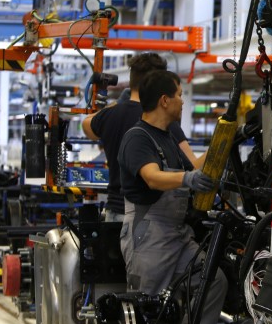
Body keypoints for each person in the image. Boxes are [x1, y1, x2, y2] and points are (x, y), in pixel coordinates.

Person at [117, 70, 227, 324]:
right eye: (179, 95)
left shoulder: (168, 137)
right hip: (149, 232)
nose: (182, 101)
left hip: (178, 234)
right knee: (146, 311)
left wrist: (224, 141)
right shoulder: (138, 137)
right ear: (164, 100)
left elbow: (195, 166)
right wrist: (189, 178)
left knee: (214, 281)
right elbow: (152, 178)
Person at [82, 52, 205, 222]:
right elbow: (193, 167)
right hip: (145, 218)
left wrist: (117, 103)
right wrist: (221, 146)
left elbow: (86, 124)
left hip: (114, 212)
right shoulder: (160, 121)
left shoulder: (111, 115)